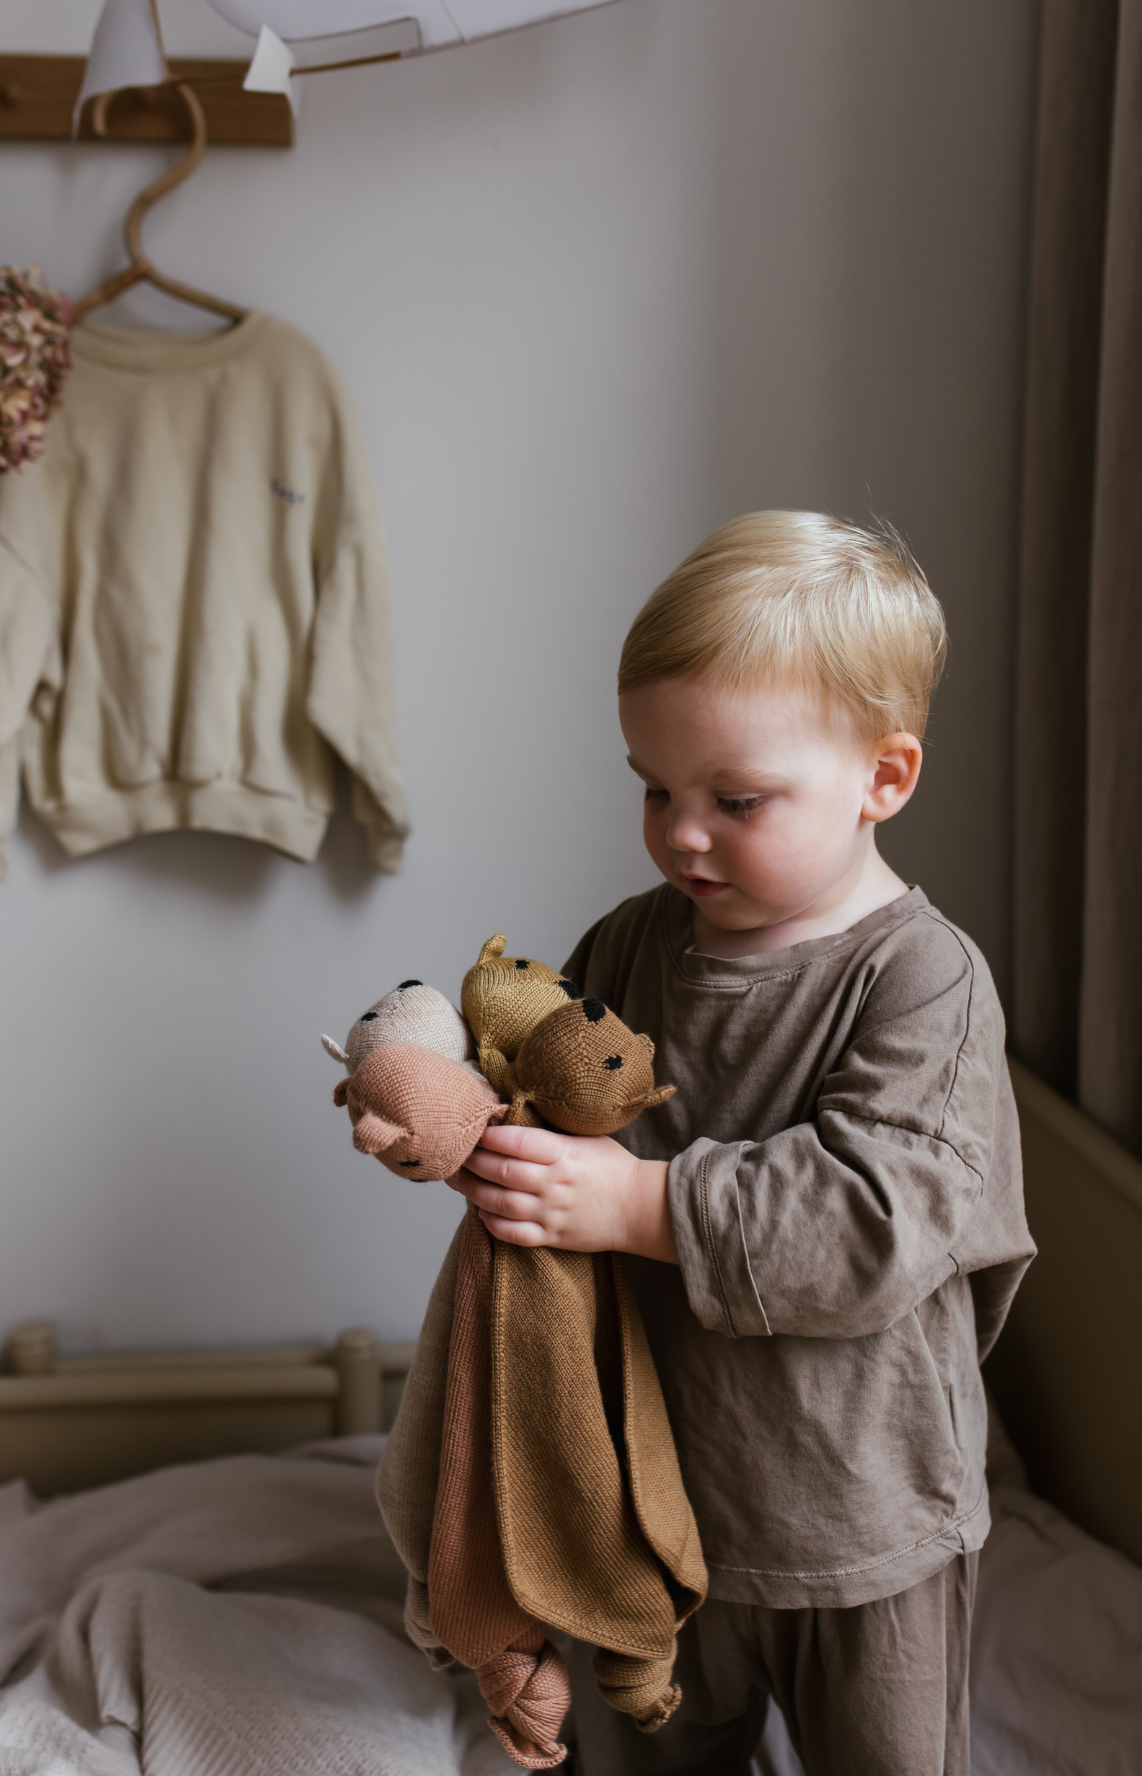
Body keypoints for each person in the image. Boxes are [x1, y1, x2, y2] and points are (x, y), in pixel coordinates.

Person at [447, 510, 1035, 1776]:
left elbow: (875, 1215)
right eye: (655, 788)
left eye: (737, 799)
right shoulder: (629, 943)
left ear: (885, 778)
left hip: (861, 1512)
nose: (684, 832)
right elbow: (560, 1106)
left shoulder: (923, 981)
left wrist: (639, 1207)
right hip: (657, 1507)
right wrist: (467, 1123)